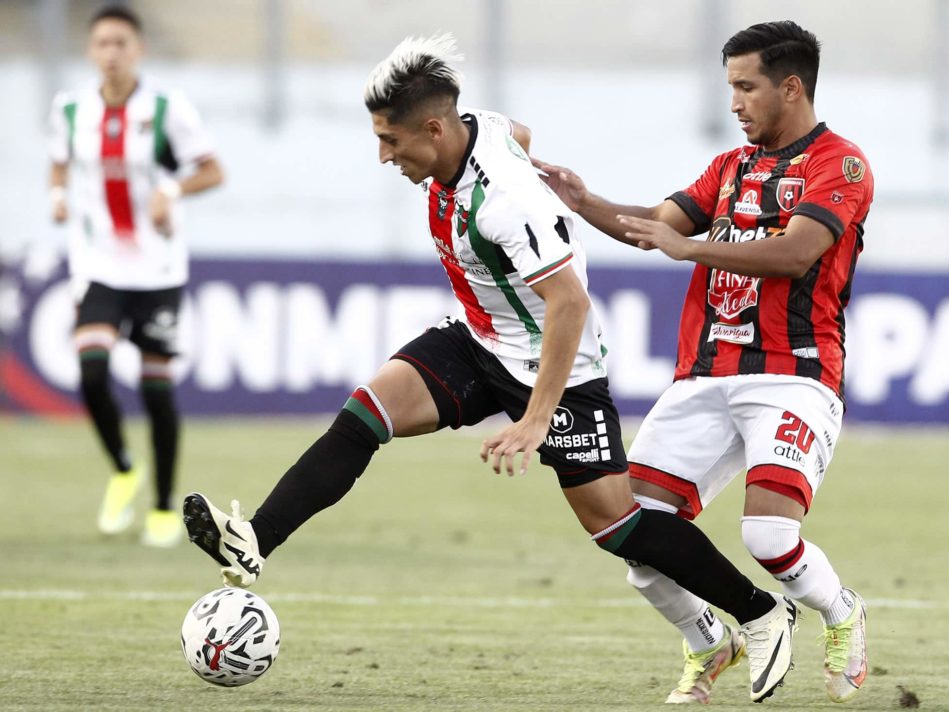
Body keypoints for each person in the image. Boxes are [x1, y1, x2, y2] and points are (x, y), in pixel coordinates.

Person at [182, 34, 798, 703]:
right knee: (367, 412)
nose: (383, 154)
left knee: (616, 525)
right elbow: (514, 132)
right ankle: (254, 540)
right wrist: (545, 168)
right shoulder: (488, 131)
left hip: (555, 363)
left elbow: (569, 303)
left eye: (391, 139)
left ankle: (760, 614)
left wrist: (536, 418)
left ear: (435, 128)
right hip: (480, 341)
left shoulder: (506, 201)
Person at [533, 20, 872, 705]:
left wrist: (686, 250)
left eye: (747, 87)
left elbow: (797, 252)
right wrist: (585, 201)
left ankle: (841, 612)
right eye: (731, 88)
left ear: (791, 86)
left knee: (770, 534)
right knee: (636, 537)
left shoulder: (841, 164)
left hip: (794, 375)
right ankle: (709, 641)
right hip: (706, 376)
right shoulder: (729, 169)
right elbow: (656, 223)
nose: (736, 102)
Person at [47, 5, 223, 546]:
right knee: (93, 373)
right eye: (103, 43)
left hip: (157, 267)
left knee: (155, 391)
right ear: (90, 51)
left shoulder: (167, 108)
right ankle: (125, 468)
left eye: (122, 43)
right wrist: (57, 195)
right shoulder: (71, 109)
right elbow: (59, 161)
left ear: (138, 50)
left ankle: (165, 507)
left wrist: (170, 191)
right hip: (98, 264)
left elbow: (212, 170)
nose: (112, 53)